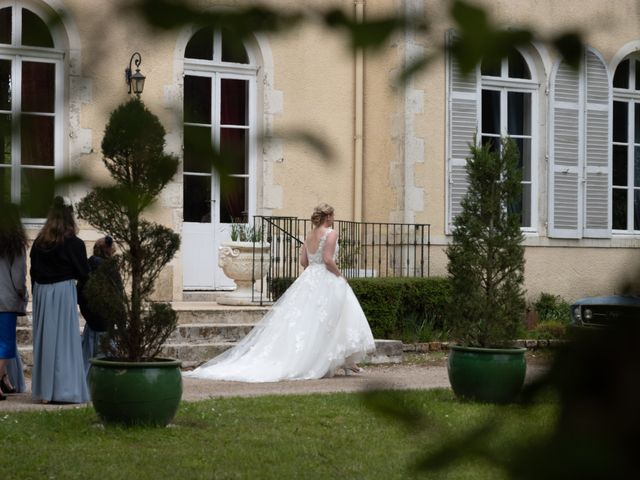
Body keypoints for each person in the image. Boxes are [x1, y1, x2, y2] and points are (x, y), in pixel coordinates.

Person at [185, 203, 375, 382]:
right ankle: (340, 360)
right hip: (325, 277)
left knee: (310, 321)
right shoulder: (331, 234)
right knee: (334, 318)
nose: (334, 219)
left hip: (309, 278)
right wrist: (341, 276)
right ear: (327, 217)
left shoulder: (309, 235)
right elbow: (327, 259)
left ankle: (343, 361)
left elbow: (304, 262)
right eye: (332, 216)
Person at [30, 196, 90, 404]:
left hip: (42, 292)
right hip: (63, 291)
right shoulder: (74, 243)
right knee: (65, 342)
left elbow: (33, 271)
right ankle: (64, 390)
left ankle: (46, 392)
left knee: (46, 341)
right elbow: (84, 274)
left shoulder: (39, 243)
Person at [78, 236, 121, 376]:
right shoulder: (111, 269)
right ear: (109, 251)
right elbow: (118, 295)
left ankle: (85, 383)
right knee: (106, 355)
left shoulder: (86, 267)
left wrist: (87, 313)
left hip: (90, 320)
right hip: (106, 320)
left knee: (87, 355)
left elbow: (79, 293)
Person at [0, 203, 29, 400]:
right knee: (6, 344)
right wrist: (23, 293)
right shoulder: (15, 244)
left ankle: (5, 379)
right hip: (5, 300)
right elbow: (18, 276)